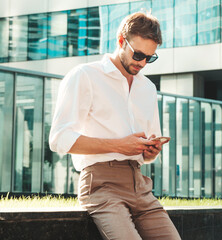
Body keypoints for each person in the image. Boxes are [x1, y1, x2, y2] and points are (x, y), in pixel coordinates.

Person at [49, 12, 181, 240]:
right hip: (101, 184)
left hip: (140, 184)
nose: (142, 62)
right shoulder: (85, 76)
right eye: (138, 54)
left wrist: (150, 151)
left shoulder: (147, 88)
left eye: (149, 57)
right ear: (121, 40)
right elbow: (58, 139)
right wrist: (120, 146)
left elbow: (144, 152)